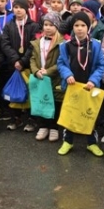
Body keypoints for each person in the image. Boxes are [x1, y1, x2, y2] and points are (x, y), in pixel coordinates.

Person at [56, 11, 104, 157]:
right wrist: (67, 75)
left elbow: (101, 66)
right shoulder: (65, 46)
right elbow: (61, 64)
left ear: (88, 27)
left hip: (90, 86)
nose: (79, 28)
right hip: (72, 86)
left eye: (83, 25)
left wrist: (93, 80)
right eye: (76, 25)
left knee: (89, 115)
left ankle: (91, 143)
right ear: (72, 27)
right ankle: (68, 141)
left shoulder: (95, 45)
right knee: (71, 114)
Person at [1, 0, 39, 130]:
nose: (18, 10)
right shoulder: (9, 25)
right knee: (15, 91)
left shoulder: (33, 26)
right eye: (16, 7)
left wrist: (23, 61)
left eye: (21, 8)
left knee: (29, 92)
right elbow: (5, 44)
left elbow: (34, 45)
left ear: (26, 9)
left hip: (28, 65)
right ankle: (15, 118)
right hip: (13, 65)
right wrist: (15, 59)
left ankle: (31, 119)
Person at [30, 12, 65, 143]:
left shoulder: (62, 43)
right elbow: (33, 59)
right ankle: (43, 126)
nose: (48, 27)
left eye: (51, 25)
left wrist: (49, 71)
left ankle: (54, 127)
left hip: (54, 78)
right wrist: (36, 71)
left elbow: (62, 61)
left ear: (57, 26)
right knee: (41, 101)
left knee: (54, 102)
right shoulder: (38, 42)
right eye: (45, 25)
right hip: (40, 77)